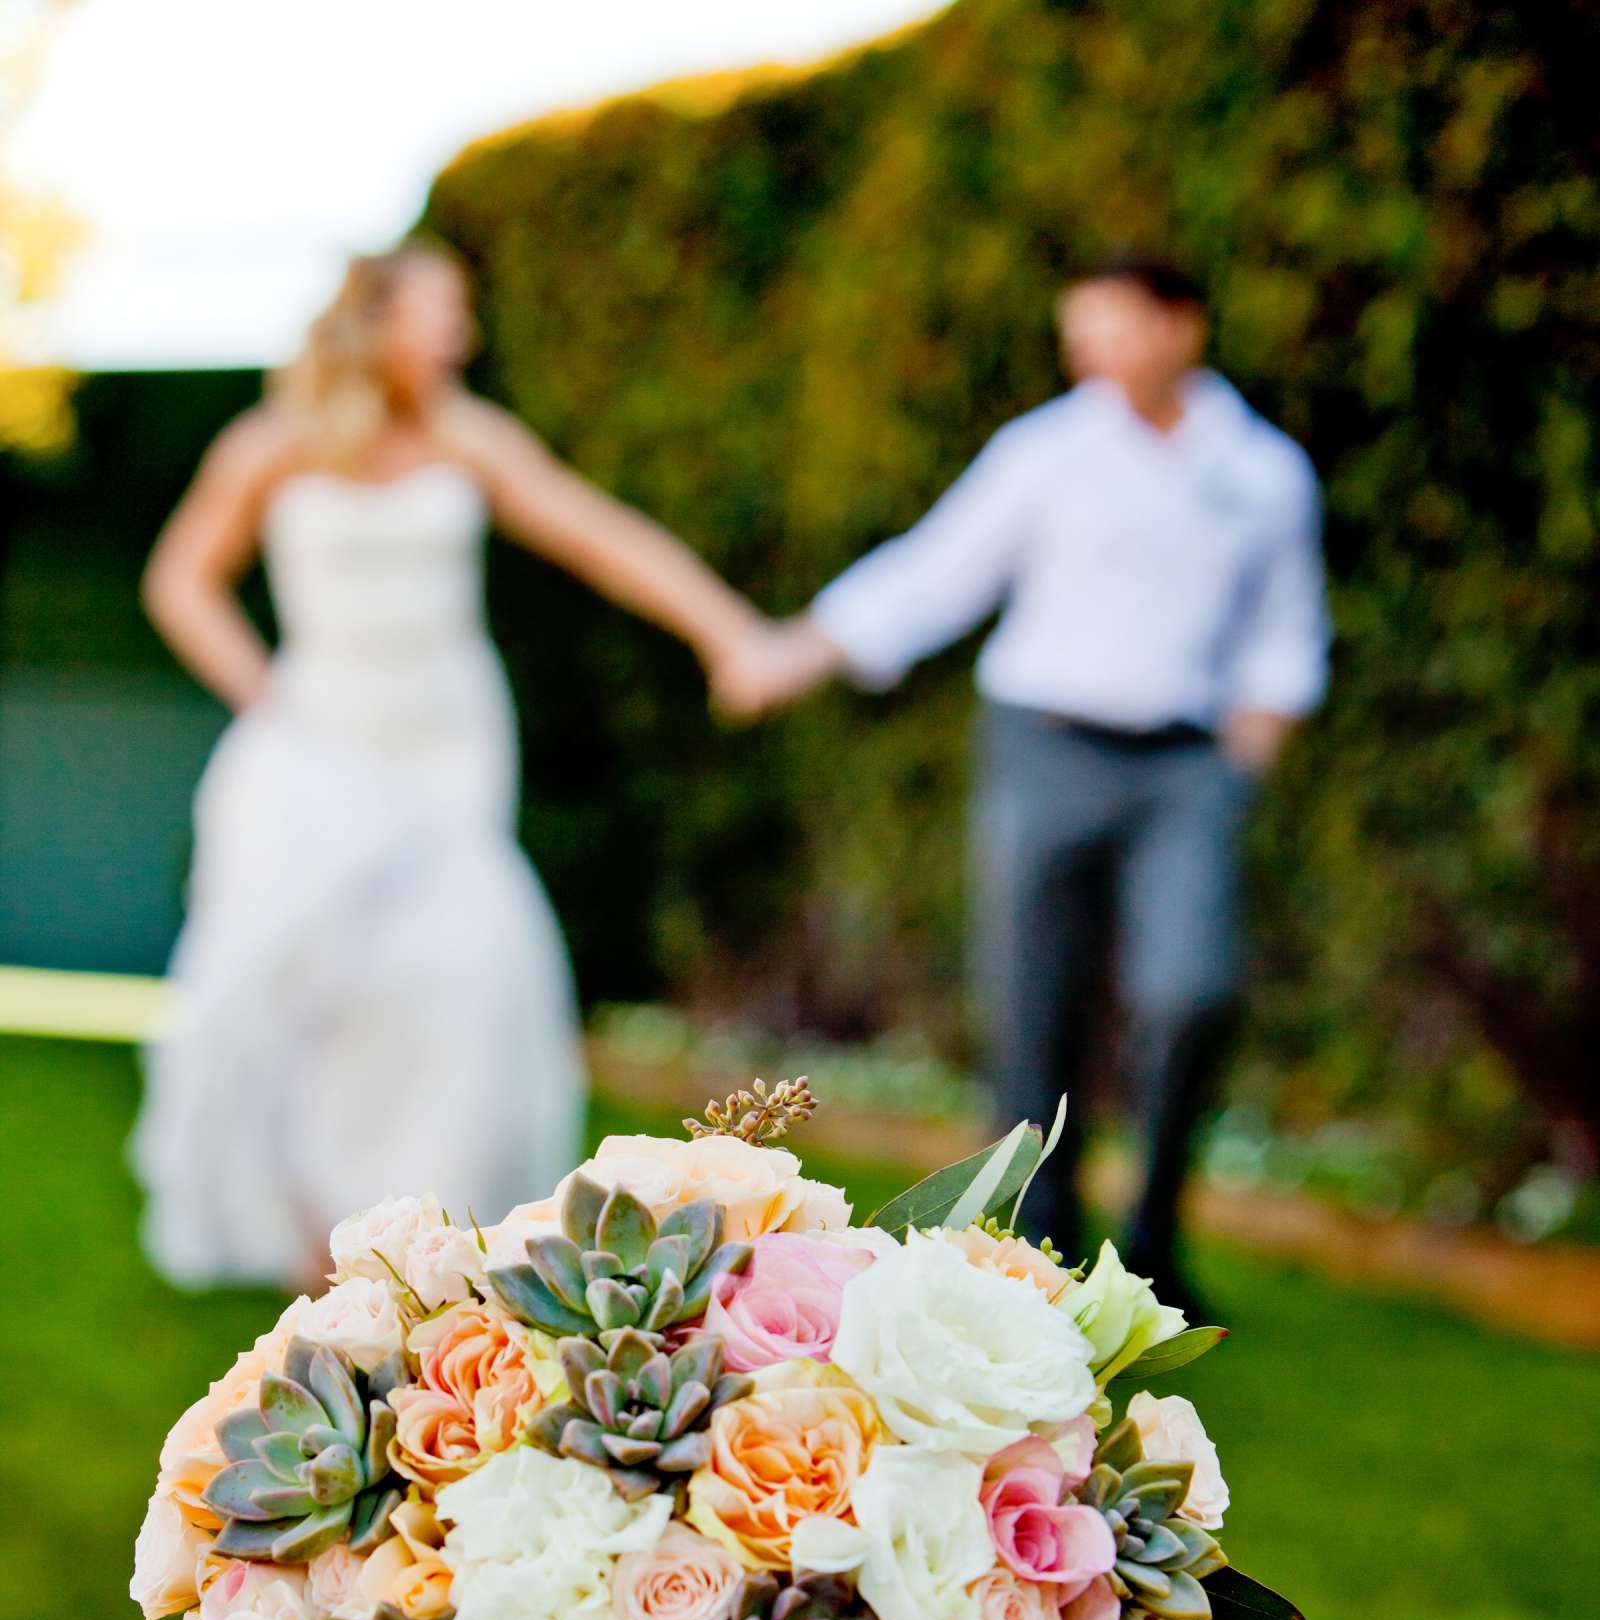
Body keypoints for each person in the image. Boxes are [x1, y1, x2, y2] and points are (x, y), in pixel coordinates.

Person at [135, 240, 765, 1291]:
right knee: (307, 985)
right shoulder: (271, 447)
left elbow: (601, 537)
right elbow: (180, 582)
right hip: (316, 744)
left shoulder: (473, 441)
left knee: (458, 979)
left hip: (445, 746)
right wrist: (266, 693)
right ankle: (311, 1237)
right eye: (441, 312)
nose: (460, 334)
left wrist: (725, 630)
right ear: (375, 322)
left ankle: (430, 1230)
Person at [720, 256, 1329, 1306]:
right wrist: (800, 650)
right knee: (1030, 1005)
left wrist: (1245, 759)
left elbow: (1285, 631)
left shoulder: (1264, 472)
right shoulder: (1043, 453)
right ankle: (1036, 1251)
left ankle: (1153, 1242)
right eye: (1077, 333)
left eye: (1114, 329)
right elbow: (932, 573)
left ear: (1182, 328)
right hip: (1042, 749)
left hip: (1187, 766)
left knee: (1190, 991)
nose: (1090, 352)